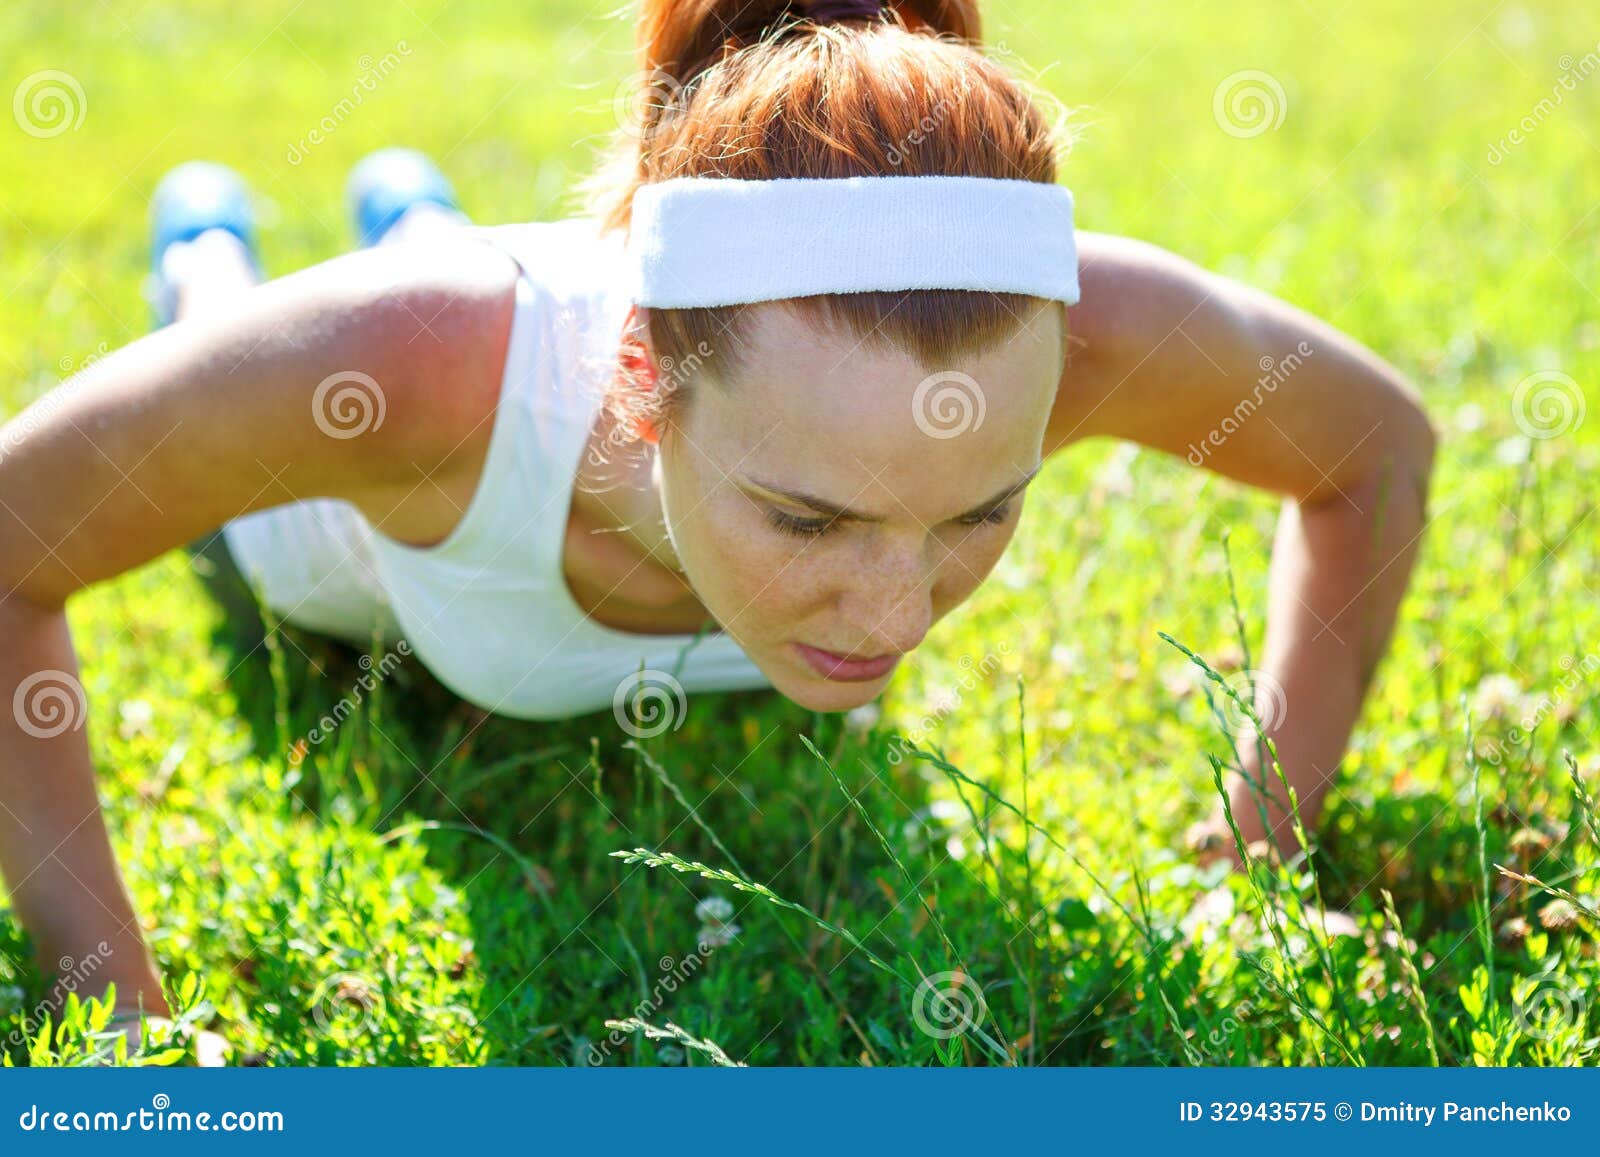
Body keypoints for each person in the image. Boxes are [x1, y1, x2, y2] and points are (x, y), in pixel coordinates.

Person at [0, 0, 1435, 1062]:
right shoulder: (418, 369)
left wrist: (1255, 853)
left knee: (428, 262)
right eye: (806, 518)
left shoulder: (1053, 328)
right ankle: (213, 241)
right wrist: (107, 997)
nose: (894, 618)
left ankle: (412, 201)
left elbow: (1378, 450)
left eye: (979, 512)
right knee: (270, 303)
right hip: (342, 542)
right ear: (643, 372)